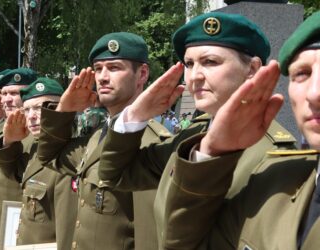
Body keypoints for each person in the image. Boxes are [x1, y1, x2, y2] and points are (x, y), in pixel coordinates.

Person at [97, 12, 296, 249]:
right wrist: (136, 116)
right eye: (190, 64)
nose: (195, 76)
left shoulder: (273, 154)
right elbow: (113, 174)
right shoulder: (190, 138)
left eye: (210, 62)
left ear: (252, 69)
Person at [156, 10, 320, 249]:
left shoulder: (276, 165)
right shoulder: (281, 185)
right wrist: (209, 152)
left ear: (253, 69)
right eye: (302, 73)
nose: (314, 93)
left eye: (210, 62)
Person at [37, 32, 170, 250]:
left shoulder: (150, 143)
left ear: (142, 73)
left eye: (114, 68)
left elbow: (150, 237)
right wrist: (64, 110)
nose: (102, 77)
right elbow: (50, 157)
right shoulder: (97, 136)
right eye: (98, 69)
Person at [0, 77, 78, 248]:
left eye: (39, 108)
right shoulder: (35, 148)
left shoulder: (70, 154)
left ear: (58, 110)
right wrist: (9, 142)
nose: (31, 116)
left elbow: (68, 229)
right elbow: (12, 175)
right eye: (26, 110)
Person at [0, 67, 37, 250]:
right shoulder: (6, 124)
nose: (7, 99)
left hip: (22, 219)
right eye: (4, 93)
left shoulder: (37, 130)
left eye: (15, 93)